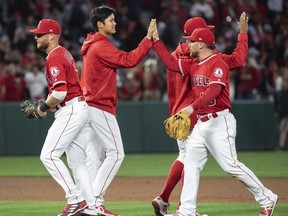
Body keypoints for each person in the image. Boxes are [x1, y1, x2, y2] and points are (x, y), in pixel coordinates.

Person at [152, 23, 278, 216]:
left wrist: (191, 107)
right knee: (191, 164)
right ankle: (186, 210)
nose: (188, 45)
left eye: (191, 42)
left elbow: (214, 90)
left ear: (201, 44)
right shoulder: (193, 64)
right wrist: (155, 40)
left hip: (220, 122)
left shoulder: (217, 62)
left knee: (231, 166)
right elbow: (169, 62)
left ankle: (267, 197)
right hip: (202, 124)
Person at [80, 6, 155, 216]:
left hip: (89, 105)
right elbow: (129, 60)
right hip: (100, 106)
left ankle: (89, 204)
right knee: (116, 153)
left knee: (94, 157)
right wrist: (147, 39)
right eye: (111, 20)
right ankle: (94, 200)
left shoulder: (91, 45)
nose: (115, 23)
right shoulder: (100, 46)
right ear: (99, 24)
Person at [29, 19, 100, 216]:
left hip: (71, 110)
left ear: (51, 35)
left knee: (49, 155)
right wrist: (53, 103)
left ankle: (75, 200)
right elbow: (62, 92)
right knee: (78, 162)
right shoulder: (63, 53)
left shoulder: (54, 56)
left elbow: (60, 92)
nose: (36, 37)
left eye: (39, 34)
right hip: (75, 107)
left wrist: (43, 107)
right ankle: (92, 208)